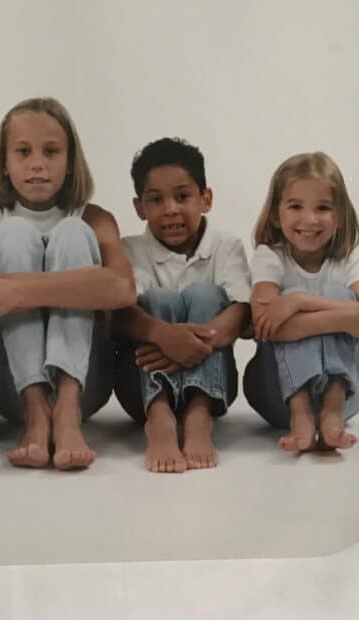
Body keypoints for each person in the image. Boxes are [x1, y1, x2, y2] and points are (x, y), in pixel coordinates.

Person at [0, 97, 135, 470]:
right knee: (12, 234)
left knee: (73, 232)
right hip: (13, 386)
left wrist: (18, 291)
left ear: (70, 162)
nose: (37, 163)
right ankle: (37, 411)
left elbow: (123, 289)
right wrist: (84, 285)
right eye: (23, 152)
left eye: (51, 151)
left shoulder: (95, 218)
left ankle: (67, 411)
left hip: (87, 383)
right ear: (4, 164)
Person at [111, 137, 251, 473]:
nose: (170, 208)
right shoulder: (129, 250)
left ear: (206, 199)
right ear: (139, 207)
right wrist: (164, 336)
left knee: (205, 295)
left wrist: (187, 344)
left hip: (215, 388)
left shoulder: (226, 246)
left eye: (183, 196)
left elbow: (244, 311)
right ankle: (159, 418)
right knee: (157, 299)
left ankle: (198, 415)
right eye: (155, 200)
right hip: (139, 391)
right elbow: (117, 315)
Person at [243, 152, 359, 452]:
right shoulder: (270, 257)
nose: (309, 220)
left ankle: (331, 411)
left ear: (339, 214)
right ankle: (300, 413)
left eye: (323, 208)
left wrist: (297, 303)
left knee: (337, 294)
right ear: (276, 214)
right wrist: (344, 317)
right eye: (295, 206)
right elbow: (267, 328)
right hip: (277, 396)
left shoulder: (350, 259)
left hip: (348, 398)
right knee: (341, 300)